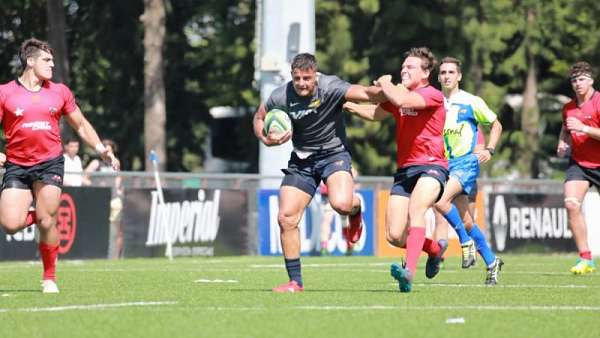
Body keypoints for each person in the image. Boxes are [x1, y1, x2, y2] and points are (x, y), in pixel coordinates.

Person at [0, 38, 119, 293]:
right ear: (30, 61)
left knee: (46, 222)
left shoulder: (60, 91)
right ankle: (44, 215)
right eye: (47, 60)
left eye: (53, 60)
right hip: (17, 165)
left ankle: (49, 277)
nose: (52, 64)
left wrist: (101, 150)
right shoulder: (5, 93)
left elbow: (81, 125)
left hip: (50, 163)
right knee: (10, 223)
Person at [253, 53, 378, 292]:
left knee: (341, 204)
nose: (301, 83)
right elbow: (259, 117)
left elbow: (363, 94)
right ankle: (295, 282)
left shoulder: (330, 86)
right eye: (297, 78)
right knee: (286, 218)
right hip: (302, 159)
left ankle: (355, 210)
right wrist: (265, 137)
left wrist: (383, 89)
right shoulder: (281, 95)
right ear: (292, 75)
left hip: (334, 154)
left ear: (315, 75)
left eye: (307, 78)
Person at [344, 47, 449, 293]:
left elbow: (401, 100)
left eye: (410, 67)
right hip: (405, 170)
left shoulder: (431, 94)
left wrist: (384, 82)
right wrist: (349, 106)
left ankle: (408, 273)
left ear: (425, 73)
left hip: (432, 166)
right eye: (403, 66)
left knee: (417, 210)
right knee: (394, 236)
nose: (404, 69)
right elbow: (376, 113)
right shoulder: (399, 95)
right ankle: (434, 249)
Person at [433, 56, 504, 285]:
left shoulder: (471, 101)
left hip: (465, 163)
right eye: (443, 72)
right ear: (438, 77)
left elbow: (496, 124)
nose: (446, 76)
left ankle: (465, 242)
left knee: (441, 202)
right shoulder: (434, 102)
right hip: (444, 164)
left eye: (451, 72)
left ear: (459, 76)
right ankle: (492, 262)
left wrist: (490, 149)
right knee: (467, 221)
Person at [557, 61, 600, 275]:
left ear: (591, 80)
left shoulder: (599, 102)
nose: (577, 83)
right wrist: (562, 142)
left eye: (581, 79)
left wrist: (584, 128)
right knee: (572, 204)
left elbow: (581, 127)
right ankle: (586, 259)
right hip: (579, 163)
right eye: (574, 80)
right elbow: (566, 129)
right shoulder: (568, 108)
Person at [85, 139, 124, 259]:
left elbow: (118, 179)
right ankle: (96, 254)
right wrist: (96, 187)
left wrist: (118, 189)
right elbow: (84, 178)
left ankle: (116, 257)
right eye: (105, 149)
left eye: (109, 150)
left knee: (117, 229)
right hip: (99, 200)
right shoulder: (96, 163)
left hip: (114, 199)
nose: (107, 152)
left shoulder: (115, 163)